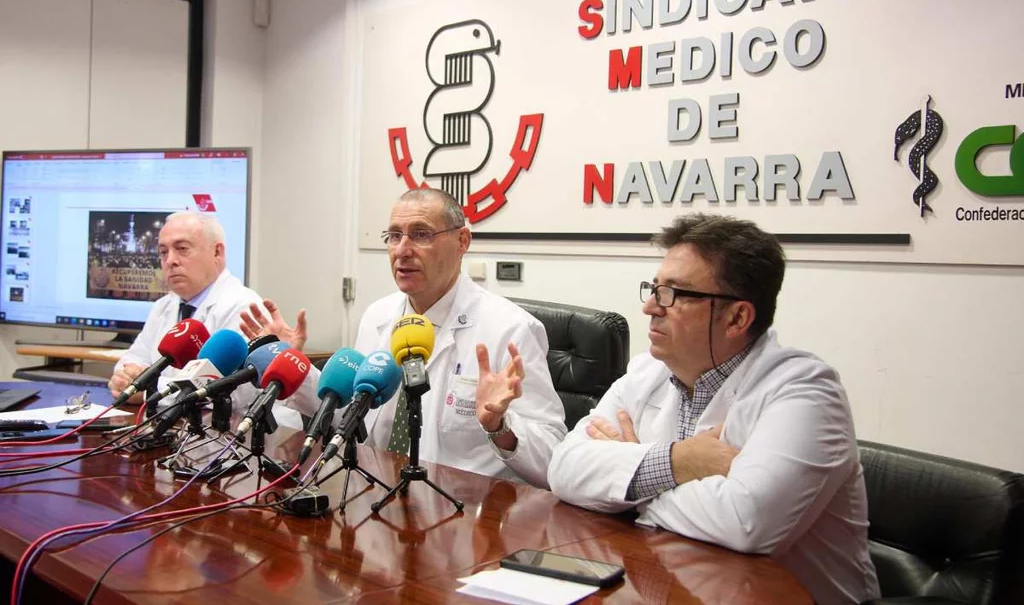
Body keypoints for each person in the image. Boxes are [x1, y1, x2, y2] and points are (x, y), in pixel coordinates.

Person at [547, 214, 879, 605]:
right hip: (671, 586)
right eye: (653, 289)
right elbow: (563, 470)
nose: (651, 307)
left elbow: (746, 523)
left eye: (675, 294)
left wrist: (628, 481)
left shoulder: (805, 392)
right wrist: (677, 462)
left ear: (738, 317)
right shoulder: (647, 372)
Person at [241, 188, 566, 487]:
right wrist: (291, 364)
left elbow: (552, 455)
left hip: (467, 519)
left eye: (421, 235)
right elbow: (353, 416)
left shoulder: (510, 329)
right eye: (394, 236)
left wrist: (499, 426)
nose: (402, 250)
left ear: (462, 241)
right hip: (374, 496)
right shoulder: (377, 317)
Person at [107, 212, 301, 428]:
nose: (170, 261)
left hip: (234, 438)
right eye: (163, 252)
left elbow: (223, 391)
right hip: (173, 427)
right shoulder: (164, 306)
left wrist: (149, 389)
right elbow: (132, 359)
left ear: (217, 252)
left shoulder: (243, 306)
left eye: (182, 249)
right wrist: (127, 377)